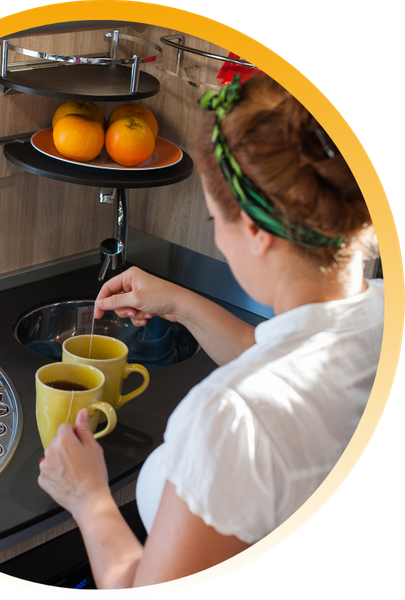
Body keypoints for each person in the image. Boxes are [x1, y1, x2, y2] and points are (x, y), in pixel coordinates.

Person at [37, 74, 383, 588]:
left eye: (214, 218)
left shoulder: (230, 418)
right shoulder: (380, 316)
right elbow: (272, 362)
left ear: (257, 233)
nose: (217, 239)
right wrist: (179, 303)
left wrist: (88, 499)